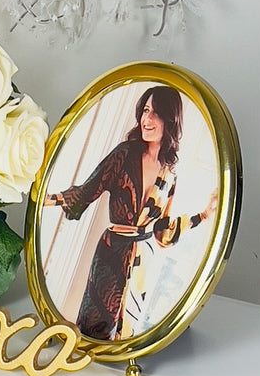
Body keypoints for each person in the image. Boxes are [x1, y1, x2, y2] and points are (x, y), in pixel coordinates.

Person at [45, 87, 217, 340]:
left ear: (171, 119)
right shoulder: (124, 153)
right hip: (111, 251)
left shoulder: (169, 173)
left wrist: (203, 215)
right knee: (96, 323)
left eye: (156, 113)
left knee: (125, 332)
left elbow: (162, 229)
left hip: (141, 263)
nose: (147, 120)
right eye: (145, 111)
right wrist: (44, 200)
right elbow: (87, 190)